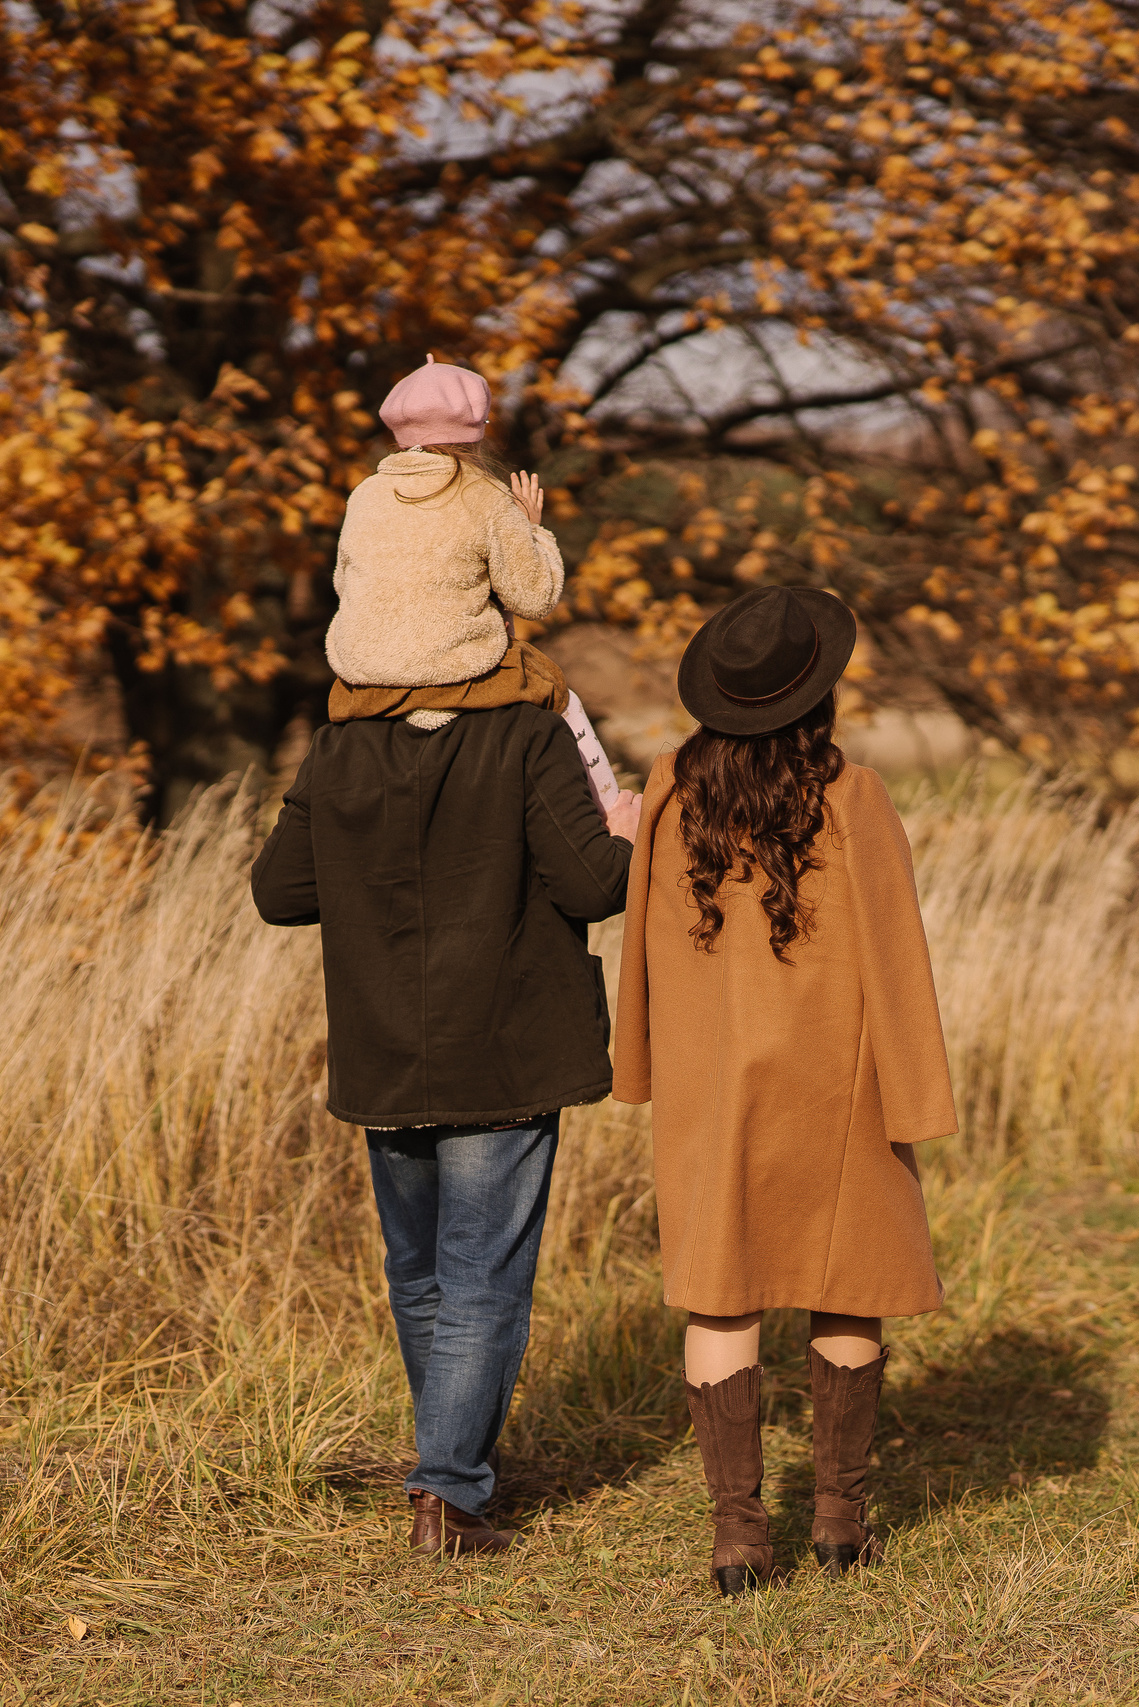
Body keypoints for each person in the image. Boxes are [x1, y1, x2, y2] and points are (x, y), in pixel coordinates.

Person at [251, 359, 642, 1559]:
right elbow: (590, 885)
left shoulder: (341, 748)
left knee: (419, 1269)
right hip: (507, 1044)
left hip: (384, 1045)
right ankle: (450, 1492)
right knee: (481, 1276)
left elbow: (279, 893)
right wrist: (626, 830)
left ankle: (446, 1470)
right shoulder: (525, 734)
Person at [613, 585, 956, 1596]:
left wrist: (636, 1062)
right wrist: (919, 1099)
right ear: (817, 695)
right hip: (835, 1075)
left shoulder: (672, 784)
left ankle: (736, 1540)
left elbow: (638, 940)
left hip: (710, 1081)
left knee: (723, 1293)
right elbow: (896, 955)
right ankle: (840, 1525)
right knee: (848, 1277)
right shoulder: (849, 794)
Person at [322, 354, 626, 818]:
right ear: (475, 427)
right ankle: (613, 819)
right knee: (558, 693)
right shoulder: (484, 495)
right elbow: (534, 597)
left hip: (364, 679)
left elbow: (346, 584)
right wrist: (534, 530)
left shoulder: (363, 495)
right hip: (456, 677)